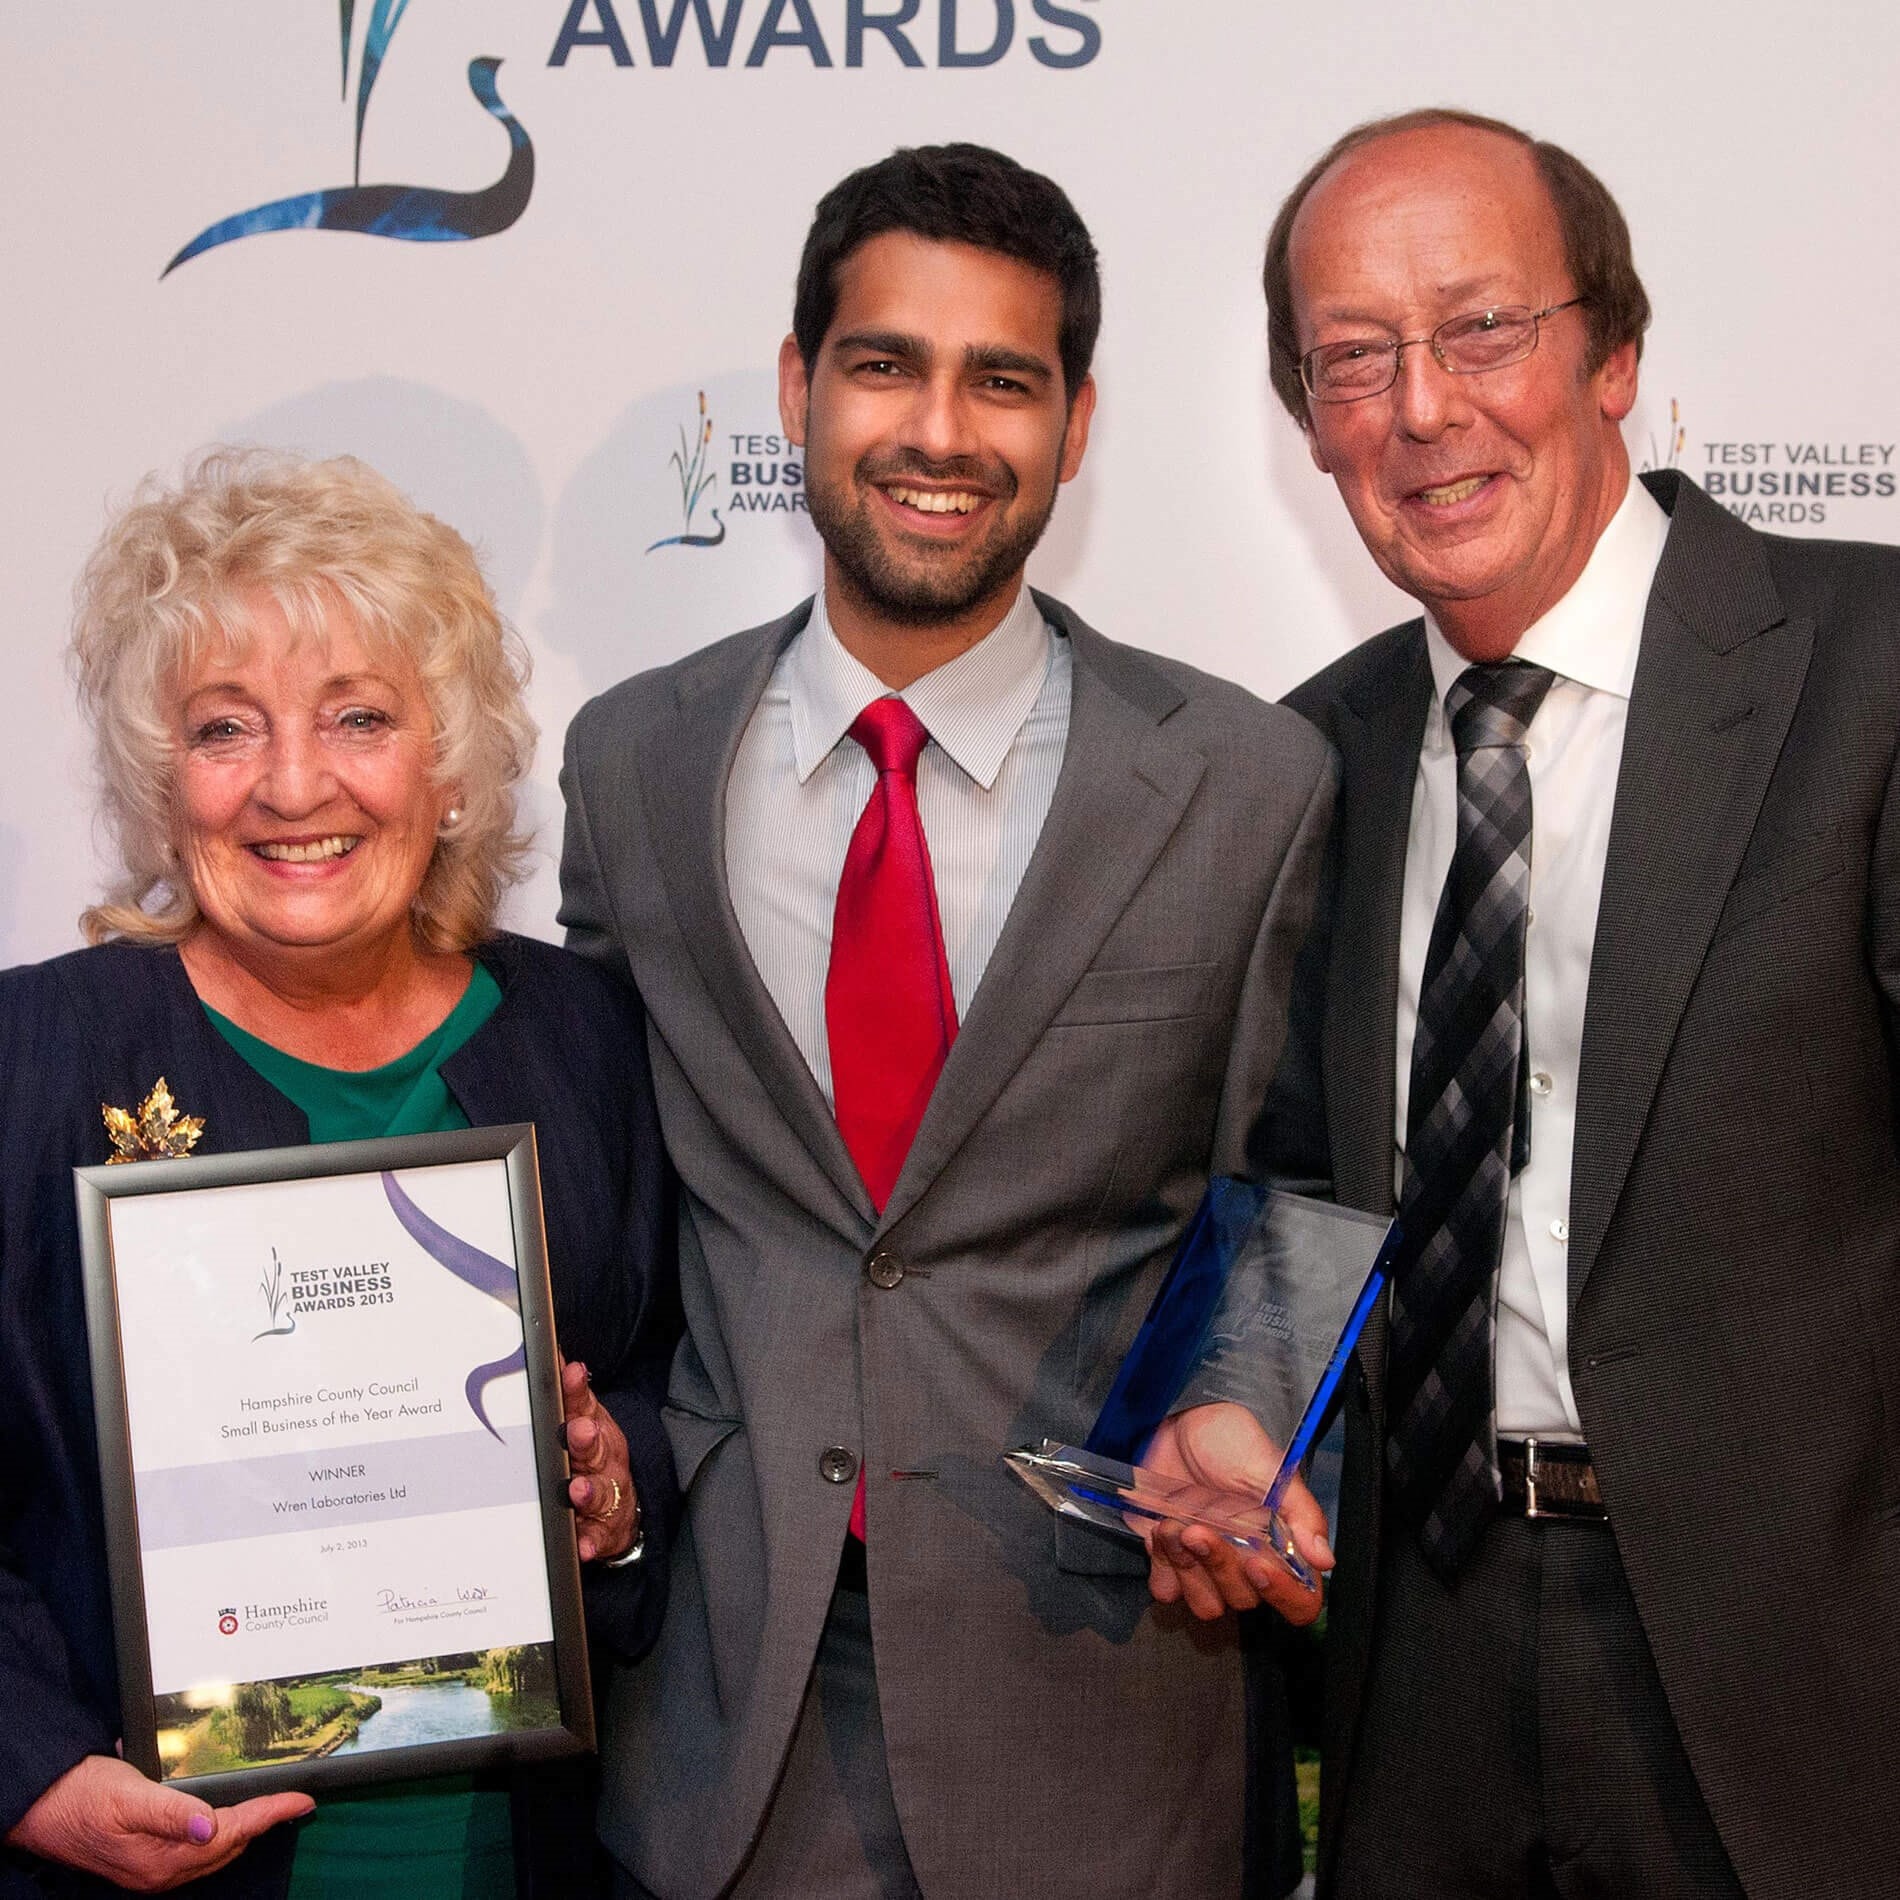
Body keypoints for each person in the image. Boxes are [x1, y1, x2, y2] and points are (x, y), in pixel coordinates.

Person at [559, 143, 1337, 1900]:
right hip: (720, 1703)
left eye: (1005, 379)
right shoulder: (633, 759)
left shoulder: (1241, 780)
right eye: (885, 363)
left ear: (1075, 425)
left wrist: (1247, 1413)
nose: (940, 430)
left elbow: (1290, 1182)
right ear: (797, 388)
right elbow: (607, 1190)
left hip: (1098, 1698)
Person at [1175, 107, 1899, 1897]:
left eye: (1482, 327)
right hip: (1420, 1650)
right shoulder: (1308, 755)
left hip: (1809, 1665)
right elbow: (1293, 1178)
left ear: (1617, 354)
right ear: (1310, 426)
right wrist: (1229, 1400)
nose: (1423, 407)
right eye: (1355, 358)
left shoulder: (1869, 673)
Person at [0, 449, 680, 1899]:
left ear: (447, 766)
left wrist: (616, 1493)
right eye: (225, 727)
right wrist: (32, 1769)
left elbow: (677, 1381)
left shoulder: (587, 1035)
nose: (293, 786)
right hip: (147, 1859)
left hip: (523, 1858)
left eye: (359, 716)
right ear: (160, 774)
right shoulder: (31, 1057)